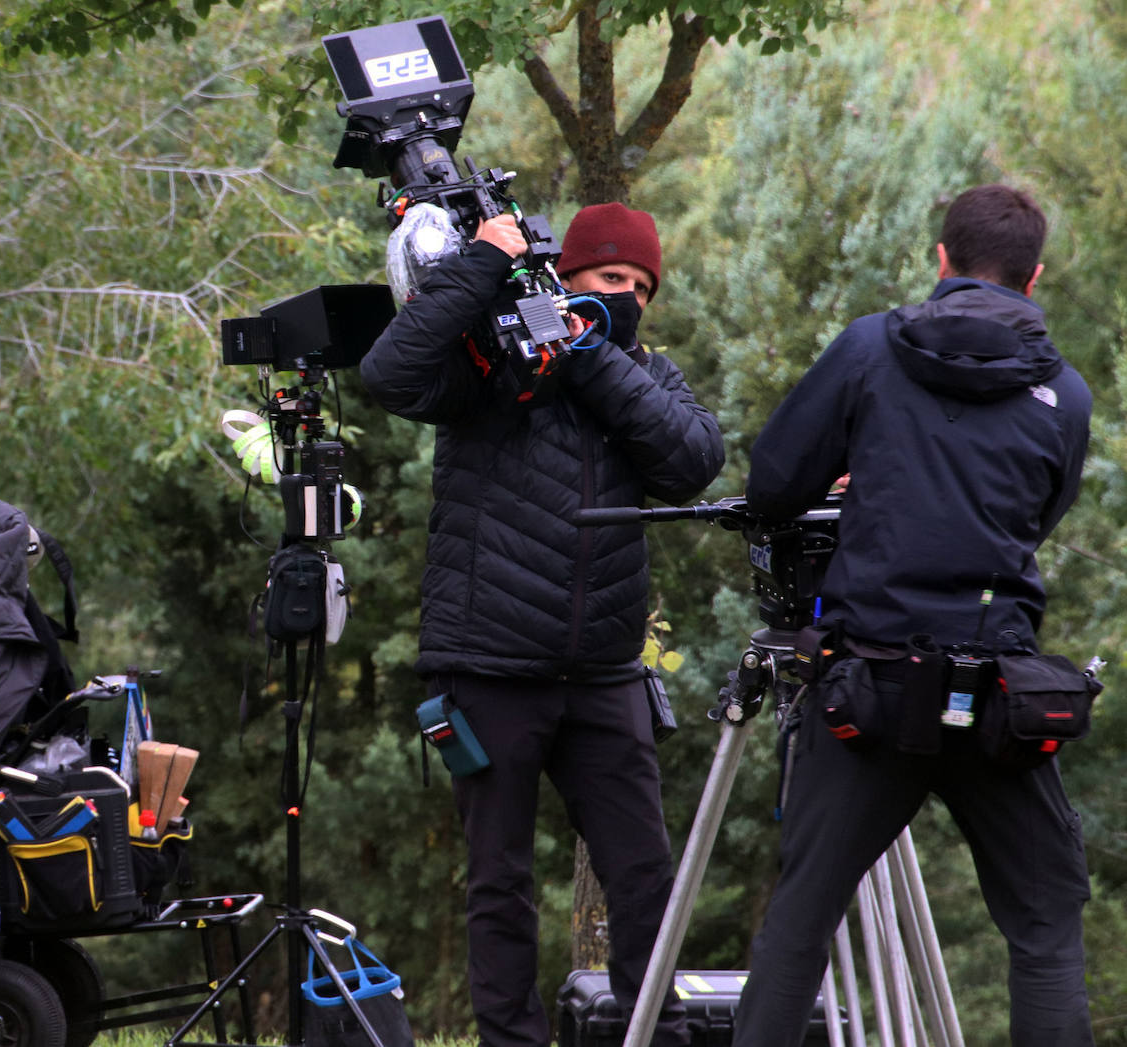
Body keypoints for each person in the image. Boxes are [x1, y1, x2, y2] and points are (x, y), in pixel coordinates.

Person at [732, 184, 1095, 1046]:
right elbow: (1034, 519)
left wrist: (859, 482)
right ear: (1033, 276)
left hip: (868, 688)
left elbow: (772, 488)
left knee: (800, 923)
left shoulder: (869, 349)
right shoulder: (1065, 394)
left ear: (941, 259)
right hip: (999, 693)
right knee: (1044, 929)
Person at [361, 201, 724, 1047]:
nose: (626, 294)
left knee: (644, 879)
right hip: (488, 665)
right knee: (500, 882)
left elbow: (692, 463)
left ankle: (651, 1037)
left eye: (640, 284)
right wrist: (485, 266)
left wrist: (589, 351)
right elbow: (390, 372)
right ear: (562, 275)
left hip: (604, 674)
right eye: (608, 278)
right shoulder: (485, 364)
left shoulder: (644, 373)